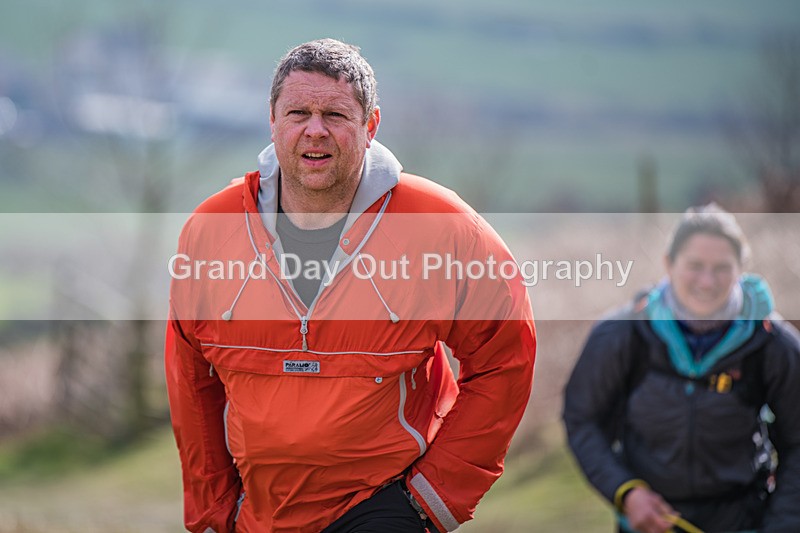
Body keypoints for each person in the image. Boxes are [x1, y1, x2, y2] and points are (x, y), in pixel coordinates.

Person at [165, 38, 536, 533]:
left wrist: (434, 496)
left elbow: (505, 356)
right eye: (298, 112)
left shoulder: (444, 226)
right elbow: (191, 381)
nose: (314, 131)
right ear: (272, 122)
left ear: (370, 125)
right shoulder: (211, 229)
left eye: (335, 115)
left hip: (384, 507)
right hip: (258, 516)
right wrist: (215, 509)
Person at [563, 204, 800, 533]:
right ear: (668, 264)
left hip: (744, 519)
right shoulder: (620, 334)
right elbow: (581, 419)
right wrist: (626, 492)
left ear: (741, 270)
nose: (707, 280)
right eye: (695, 265)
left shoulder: (775, 344)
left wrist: (781, 526)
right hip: (648, 525)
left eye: (721, 268)